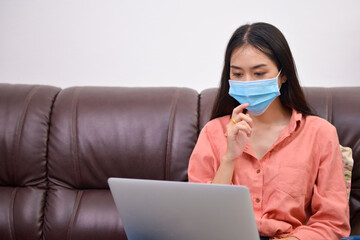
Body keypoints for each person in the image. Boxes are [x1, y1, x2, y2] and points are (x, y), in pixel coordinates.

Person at [188, 22, 350, 240]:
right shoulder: (212, 132)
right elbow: (201, 219)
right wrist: (229, 157)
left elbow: (333, 223)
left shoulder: (320, 134)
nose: (247, 82)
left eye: (259, 73)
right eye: (237, 73)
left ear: (283, 75)